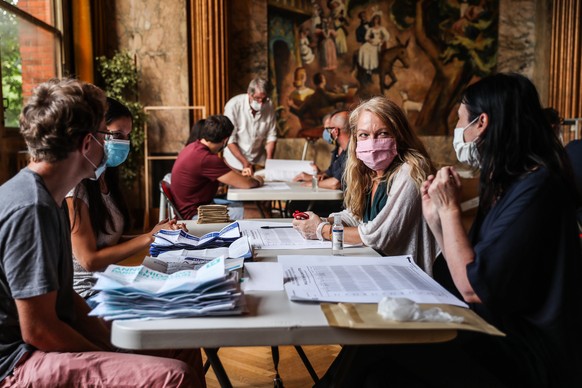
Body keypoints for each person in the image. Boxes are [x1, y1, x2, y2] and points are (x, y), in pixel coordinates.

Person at [322, 73, 582, 387]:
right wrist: (436, 217)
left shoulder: (538, 187)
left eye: (460, 120)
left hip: (526, 351)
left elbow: (474, 286)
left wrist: (449, 210)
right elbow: (467, 265)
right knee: (372, 353)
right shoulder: (507, 182)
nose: (456, 130)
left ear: (481, 123)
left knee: (378, 346)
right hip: (488, 327)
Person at [0, 78, 204, 387]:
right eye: (103, 135)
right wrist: (113, 355)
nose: (110, 145)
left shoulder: (47, 196)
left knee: (180, 342)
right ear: (87, 144)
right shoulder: (33, 207)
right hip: (20, 361)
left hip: (44, 341)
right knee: (174, 376)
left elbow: (65, 297)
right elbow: (38, 330)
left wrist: (115, 341)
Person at [292, 96, 437, 275]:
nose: (373, 142)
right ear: (356, 139)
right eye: (364, 135)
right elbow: (356, 216)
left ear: (399, 135)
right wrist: (323, 220)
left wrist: (322, 230)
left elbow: (379, 236)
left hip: (410, 277)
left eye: (383, 133)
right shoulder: (369, 171)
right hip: (378, 266)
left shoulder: (411, 171)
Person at [65, 97, 183, 301]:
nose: (124, 143)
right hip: (88, 294)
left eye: (127, 136)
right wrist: (149, 237)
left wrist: (156, 233)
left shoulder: (105, 177)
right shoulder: (76, 187)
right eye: (117, 134)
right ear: (92, 135)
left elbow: (108, 241)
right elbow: (89, 260)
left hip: (110, 281)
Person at [171, 114, 264, 220]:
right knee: (258, 214)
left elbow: (230, 176)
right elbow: (247, 184)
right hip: (195, 215)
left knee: (252, 207)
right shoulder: (206, 158)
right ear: (225, 140)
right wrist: (258, 179)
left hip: (190, 209)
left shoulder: (192, 147)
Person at [222, 77, 277, 173]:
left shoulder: (269, 105)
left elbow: (271, 136)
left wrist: (269, 162)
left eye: (263, 99)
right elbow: (230, 140)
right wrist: (245, 163)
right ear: (249, 94)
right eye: (257, 98)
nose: (261, 102)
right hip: (235, 160)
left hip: (258, 160)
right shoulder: (233, 106)